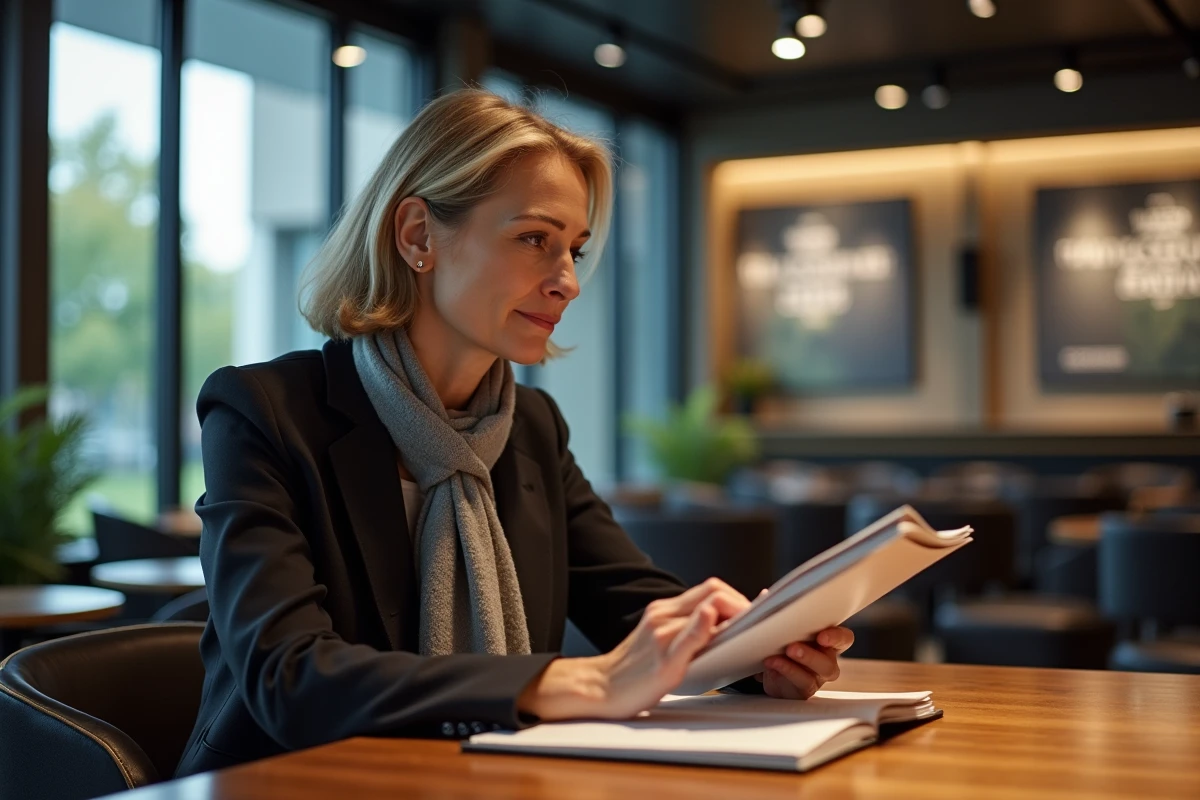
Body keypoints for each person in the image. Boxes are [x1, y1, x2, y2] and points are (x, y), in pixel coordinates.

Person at [175, 88, 853, 777]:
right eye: (535, 239)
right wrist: (573, 683)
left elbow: (632, 602)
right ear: (417, 236)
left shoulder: (530, 427)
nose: (568, 283)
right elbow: (288, 677)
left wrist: (757, 652)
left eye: (575, 250)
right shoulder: (264, 410)